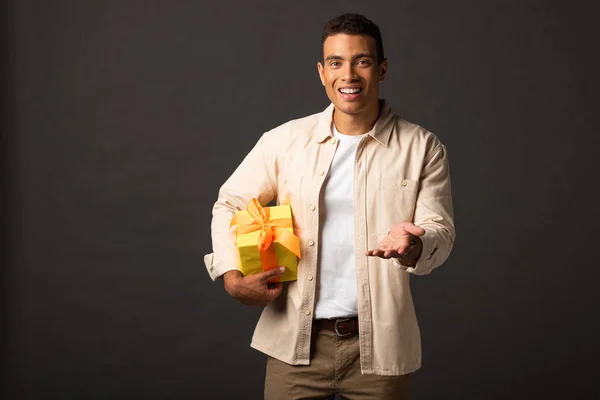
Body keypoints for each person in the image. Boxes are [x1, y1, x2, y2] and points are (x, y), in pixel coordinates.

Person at [204, 13, 455, 399]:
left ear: (382, 69)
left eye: (363, 61)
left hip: (380, 349)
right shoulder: (285, 140)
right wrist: (231, 274)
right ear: (322, 72)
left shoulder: (422, 148)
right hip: (295, 346)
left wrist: (415, 244)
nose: (348, 74)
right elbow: (230, 203)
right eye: (336, 62)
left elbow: (440, 231)